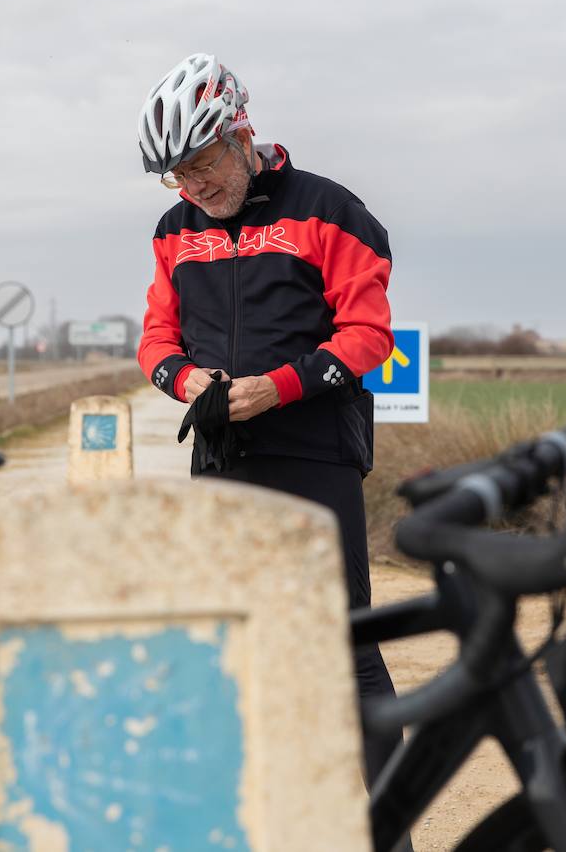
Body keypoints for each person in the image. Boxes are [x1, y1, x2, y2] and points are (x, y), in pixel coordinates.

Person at [136, 53, 403, 787]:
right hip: (223, 457)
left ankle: (388, 825)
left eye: (202, 163)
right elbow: (155, 341)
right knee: (228, 638)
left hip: (317, 452)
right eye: (178, 175)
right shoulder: (173, 229)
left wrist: (278, 388)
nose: (195, 186)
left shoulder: (331, 210)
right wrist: (188, 380)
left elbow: (369, 336)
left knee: (345, 641)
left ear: (241, 131)